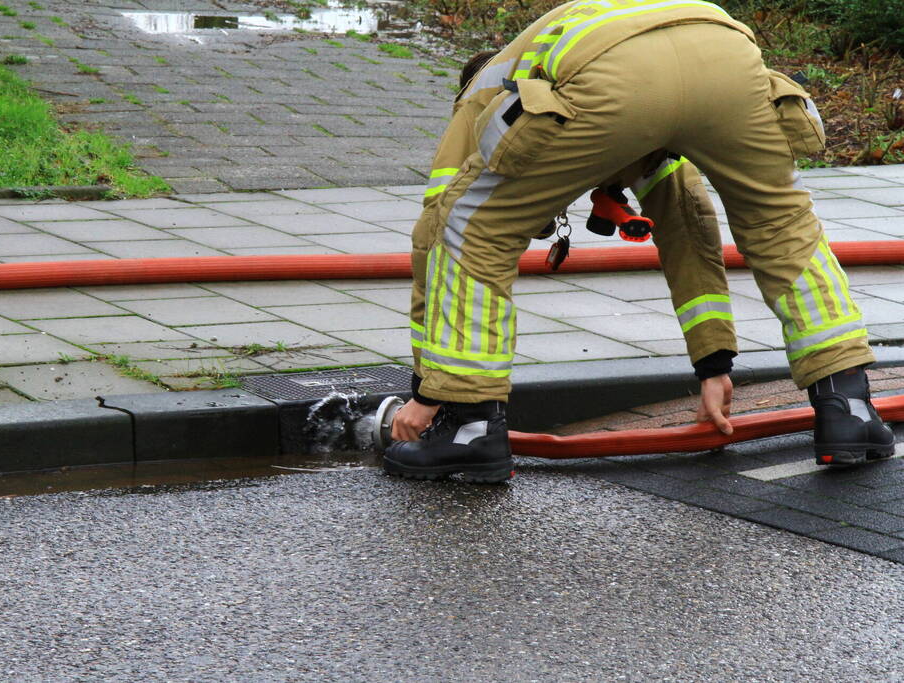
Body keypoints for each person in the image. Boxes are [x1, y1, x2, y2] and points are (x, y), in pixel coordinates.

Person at [384, 0, 896, 483]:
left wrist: (429, 393)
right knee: (783, 226)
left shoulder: (481, 95)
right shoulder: (583, 57)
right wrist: (713, 364)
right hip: (727, 52)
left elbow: (436, 237)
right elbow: (687, 224)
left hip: (615, 72)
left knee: (468, 227)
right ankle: (849, 409)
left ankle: (468, 428)